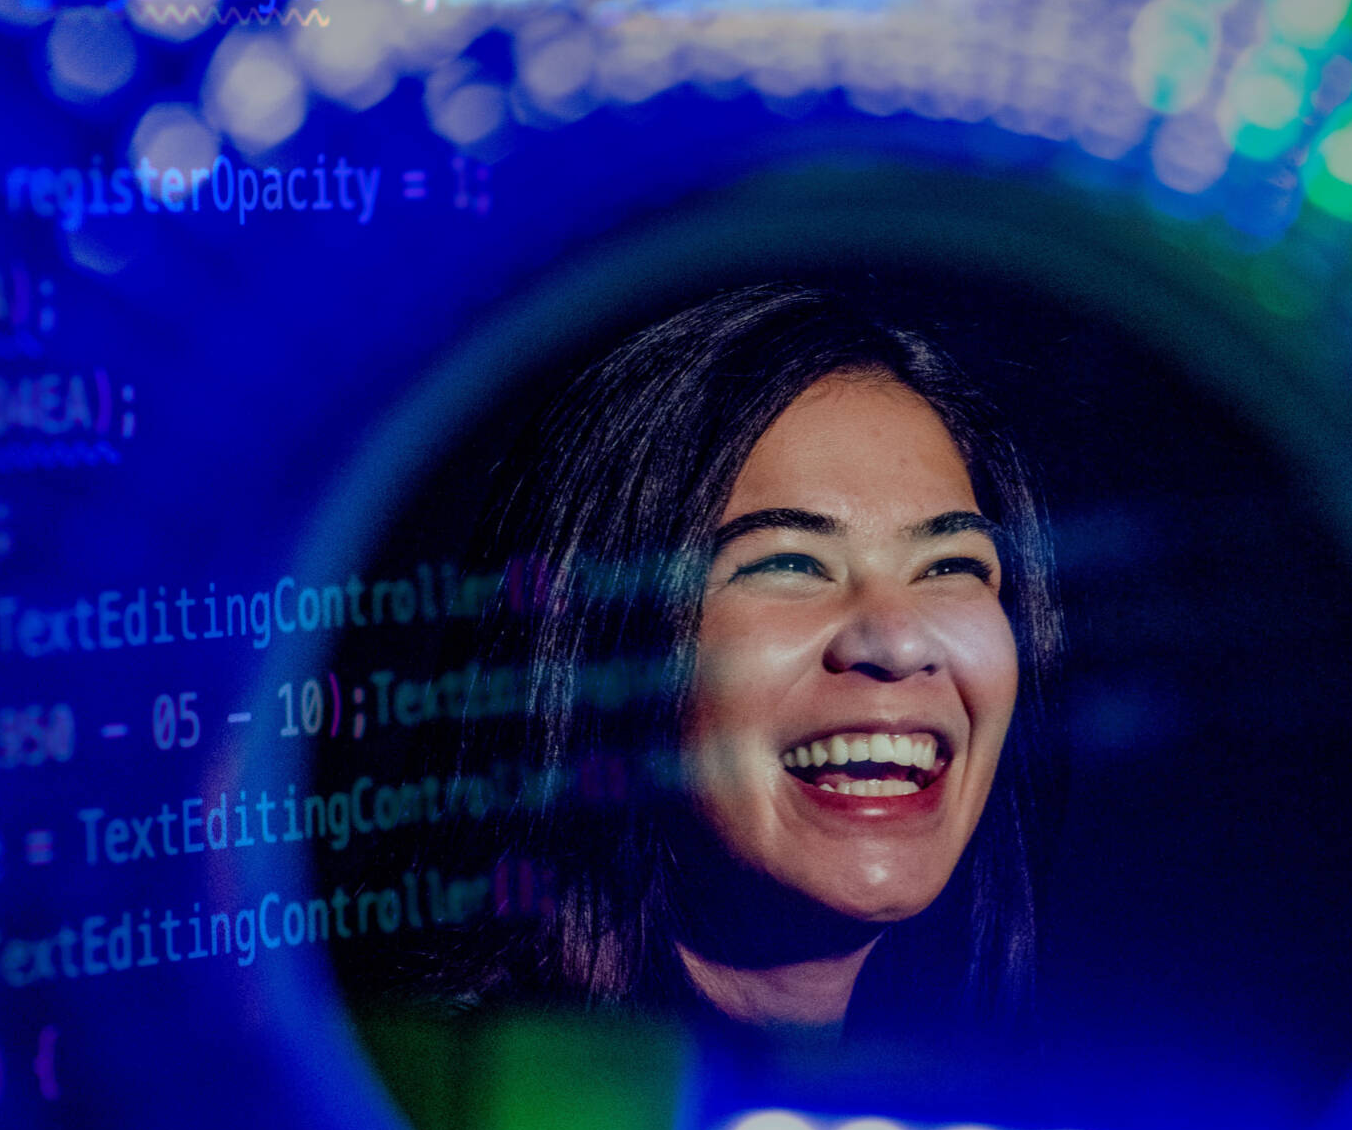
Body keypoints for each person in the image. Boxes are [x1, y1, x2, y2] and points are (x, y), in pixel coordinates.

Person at [434, 282, 1064, 1036]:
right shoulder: (437, 1106)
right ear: (603, 647)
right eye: (790, 564)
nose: (900, 642)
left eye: (948, 566)